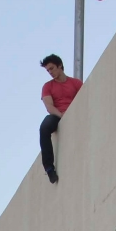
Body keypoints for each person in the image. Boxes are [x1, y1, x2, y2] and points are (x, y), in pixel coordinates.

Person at [38, 54, 82, 184]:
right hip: (57, 115)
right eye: (48, 70)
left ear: (60, 66)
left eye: (52, 68)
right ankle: (49, 168)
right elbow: (49, 106)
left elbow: (84, 99)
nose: (50, 72)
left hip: (75, 113)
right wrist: (62, 116)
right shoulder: (48, 86)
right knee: (44, 127)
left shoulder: (76, 83)